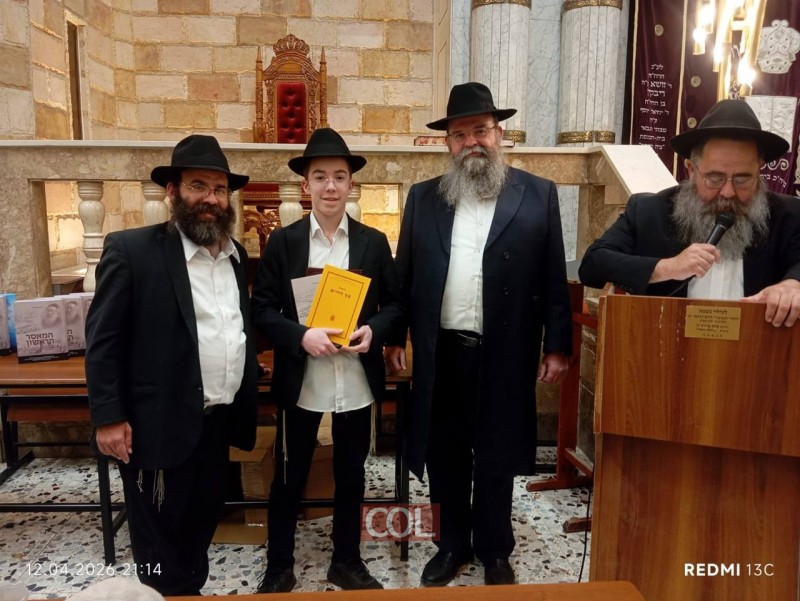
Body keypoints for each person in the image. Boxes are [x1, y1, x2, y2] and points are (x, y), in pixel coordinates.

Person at [385, 82, 573, 587]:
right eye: (460, 133)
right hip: (443, 350)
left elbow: (553, 277)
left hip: (505, 351)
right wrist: (394, 337)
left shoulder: (538, 194)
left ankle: (495, 549)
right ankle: (450, 544)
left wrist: (557, 345)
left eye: (481, 130)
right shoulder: (424, 198)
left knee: (496, 453)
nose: (472, 141)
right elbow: (405, 274)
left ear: (499, 134)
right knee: (444, 452)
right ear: (448, 142)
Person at [85, 134, 259, 596]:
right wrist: (108, 416)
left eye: (219, 189)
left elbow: (231, 326)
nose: (211, 199)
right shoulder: (132, 251)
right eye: (198, 186)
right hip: (156, 425)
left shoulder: (235, 256)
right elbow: (102, 340)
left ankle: (189, 592)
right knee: (159, 540)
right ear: (172, 191)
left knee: (201, 526)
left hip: (215, 424)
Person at [251, 128, 401, 593]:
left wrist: (374, 331)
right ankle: (279, 565)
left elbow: (396, 304)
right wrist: (301, 335)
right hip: (304, 379)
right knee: (290, 475)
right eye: (320, 177)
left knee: (351, 474)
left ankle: (346, 561)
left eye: (339, 176)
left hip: (354, 378)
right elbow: (261, 309)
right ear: (306, 185)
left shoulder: (374, 242)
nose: (330, 186)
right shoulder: (284, 242)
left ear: (351, 184)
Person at [579, 99, 800, 327]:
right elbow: (593, 264)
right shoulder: (650, 212)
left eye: (742, 179)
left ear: (759, 171)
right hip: (667, 344)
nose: (728, 192)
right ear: (691, 170)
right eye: (714, 178)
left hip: (756, 347)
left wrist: (794, 284)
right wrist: (668, 267)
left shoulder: (788, 215)